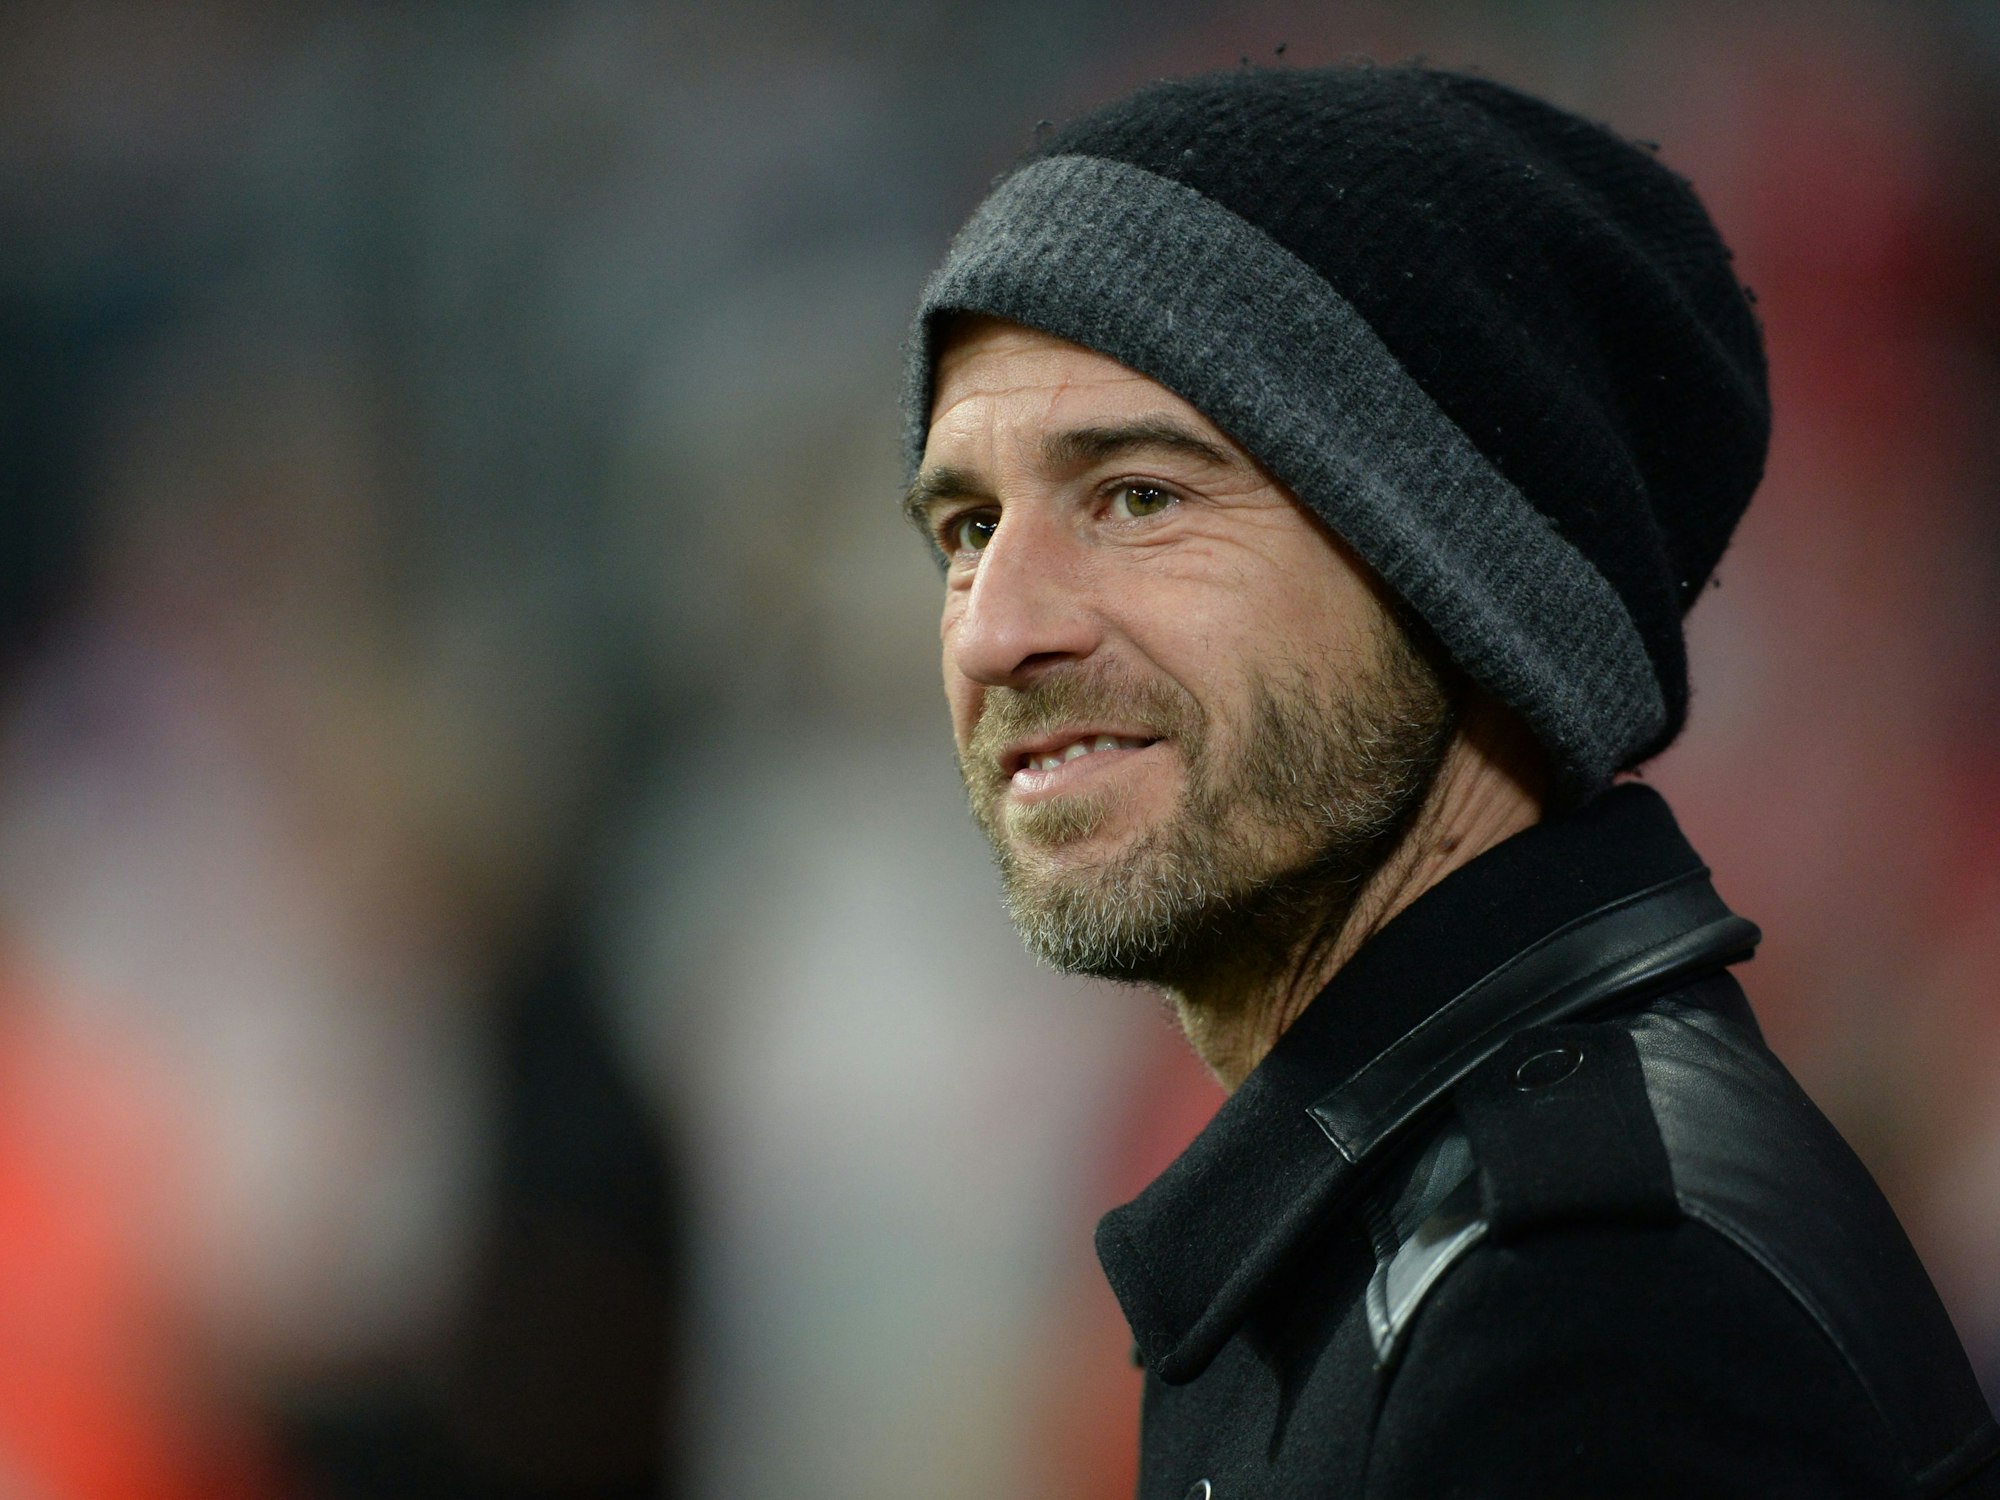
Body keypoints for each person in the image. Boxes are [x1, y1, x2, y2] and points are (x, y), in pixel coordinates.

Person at [898, 64, 2000, 1498]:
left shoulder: (1589, 1318)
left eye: (1141, 496)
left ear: (1465, 591)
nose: (994, 626)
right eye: (968, 524)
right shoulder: (1430, 1233)